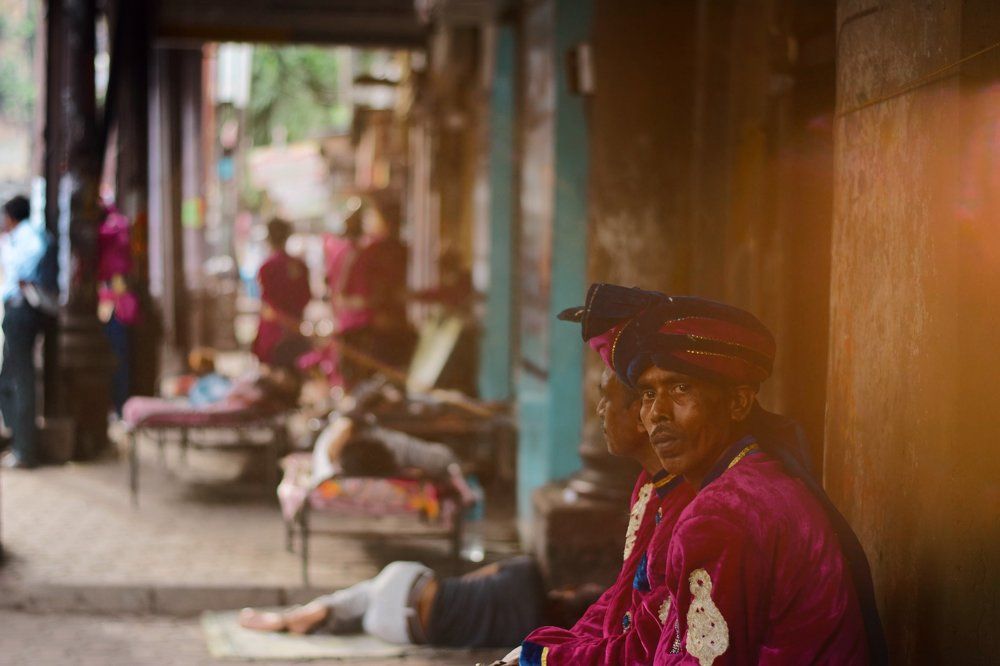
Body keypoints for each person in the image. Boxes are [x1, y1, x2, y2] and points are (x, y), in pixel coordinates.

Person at [238, 350, 683, 652]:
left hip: (407, 602)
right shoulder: (524, 627)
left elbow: (480, 576)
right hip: (404, 622)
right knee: (364, 599)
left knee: (374, 591)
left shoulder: (527, 576)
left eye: (608, 401)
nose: (600, 411)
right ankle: (310, 616)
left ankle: (303, 617)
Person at [579, 284, 885, 664]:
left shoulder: (724, 514)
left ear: (738, 403)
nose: (657, 413)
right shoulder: (754, 480)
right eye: (646, 393)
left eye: (680, 388)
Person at [507, 285, 696, 666]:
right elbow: (621, 600)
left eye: (607, 397)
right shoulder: (649, 485)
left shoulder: (692, 506)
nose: (599, 411)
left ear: (645, 414)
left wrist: (545, 659)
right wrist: (551, 647)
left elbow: (646, 644)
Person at [0, 195, 48, 468]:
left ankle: (25, 449)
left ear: (10, 216)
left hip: (22, 310)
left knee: (21, 380)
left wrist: (21, 276)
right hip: (16, 311)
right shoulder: (18, 237)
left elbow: (33, 256)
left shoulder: (27, 235)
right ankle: (18, 441)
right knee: (9, 380)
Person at [252, 218, 312, 365]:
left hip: (273, 336)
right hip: (296, 332)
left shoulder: (267, 267)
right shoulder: (299, 265)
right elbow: (306, 297)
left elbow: (268, 305)